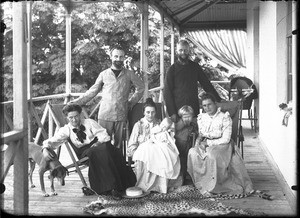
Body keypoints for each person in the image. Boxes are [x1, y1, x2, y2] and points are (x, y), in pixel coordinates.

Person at [42, 104, 136, 199]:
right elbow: (52, 141)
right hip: (85, 153)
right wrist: (45, 149)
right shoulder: (66, 130)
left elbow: (103, 134)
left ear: (80, 115)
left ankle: (118, 185)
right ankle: (111, 188)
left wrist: (98, 143)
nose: (74, 120)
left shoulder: (89, 123)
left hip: (99, 145)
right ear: (67, 118)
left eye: (76, 116)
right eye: (71, 117)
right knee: (101, 152)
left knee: (112, 150)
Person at [70, 45, 145, 150]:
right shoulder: (104, 74)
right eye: (116, 56)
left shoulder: (129, 74)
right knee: (103, 143)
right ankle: (105, 166)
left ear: (124, 58)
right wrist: (77, 102)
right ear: (111, 57)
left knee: (119, 145)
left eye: (121, 57)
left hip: (121, 114)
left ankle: (118, 165)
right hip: (105, 114)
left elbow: (141, 88)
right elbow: (92, 91)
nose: (118, 59)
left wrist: (131, 102)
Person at [187, 93, 253, 196]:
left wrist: (208, 143)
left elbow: (226, 139)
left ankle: (215, 186)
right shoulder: (202, 118)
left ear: (215, 104)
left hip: (222, 145)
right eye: (204, 105)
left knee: (212, 155)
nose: (207, 108)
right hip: (205, 143)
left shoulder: (224, 117)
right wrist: (198, 144)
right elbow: (201, 134)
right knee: (192, 152)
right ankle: (202, 183)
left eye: (209, 104)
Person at [127, 98, 182, 194]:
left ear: (156, 112)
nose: (150, 115)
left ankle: (160, 187)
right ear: (143, 112)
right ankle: (146, 186)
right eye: (148, 112)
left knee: (165, 156)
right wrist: (136, 153)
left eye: (153, 112)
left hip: (158, 150)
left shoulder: (160, 123)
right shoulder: (138, 125)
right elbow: (132, 144)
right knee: (146, 156)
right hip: (144, 151)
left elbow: (165, 138)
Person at [163, 39, 221, 123]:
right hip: (178, 109)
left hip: (193, 107)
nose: (183, 52)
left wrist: (218, 99)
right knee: (179, 134)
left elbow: (206, 84)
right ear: (177, 51)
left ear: (189, 51)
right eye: (180, 50)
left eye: (185, 50)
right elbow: (167, 93)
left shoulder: (195, 67)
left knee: (194, 132)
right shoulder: (172, 69)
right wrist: (172, 113)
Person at [174, 105, 198, 185]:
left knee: (190, 161)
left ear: (192, 116)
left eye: (189, 116)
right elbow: (175, 130)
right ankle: (182, 178)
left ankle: (190, 177)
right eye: (185, 117)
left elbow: (196, 131)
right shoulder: (179, 124)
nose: (187, 119)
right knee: (182, 161)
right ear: (181, 117)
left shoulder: (193, 124)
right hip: (180, 145)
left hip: (189, 145)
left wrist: (194, 133)